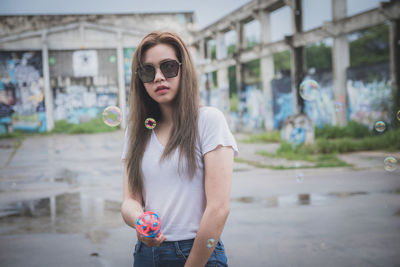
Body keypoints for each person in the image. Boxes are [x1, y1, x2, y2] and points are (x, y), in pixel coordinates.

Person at [120, 31, 239, 267]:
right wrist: (139, 221)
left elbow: (219, 208)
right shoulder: (136, 130)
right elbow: (130, 201)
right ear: (140, 79)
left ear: (184, 70)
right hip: (146, 255)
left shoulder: (208, 121)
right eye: (148, 70)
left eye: (169, 67)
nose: (159, 77)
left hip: (198, 252)